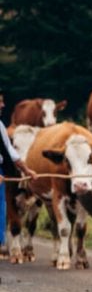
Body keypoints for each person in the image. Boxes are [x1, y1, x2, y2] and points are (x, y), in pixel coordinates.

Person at [0, 90, 38, 248]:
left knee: (1, 213)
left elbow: (9, 150)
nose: (2, 105)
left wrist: (26, 169)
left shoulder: (0, 125)